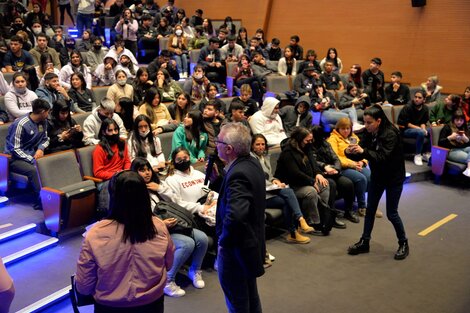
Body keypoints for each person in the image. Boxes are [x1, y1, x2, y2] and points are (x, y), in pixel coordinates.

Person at [76, 170, 174, 313]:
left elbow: (84, 286)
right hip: (152, 304)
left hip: (110, 307)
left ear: (113, 197)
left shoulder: (95, 234)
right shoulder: (159, 226)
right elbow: (169, 264)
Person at [130, 157, 208, 298]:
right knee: (187, 244)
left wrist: (160, 189)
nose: (147, 173)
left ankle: (194, 270)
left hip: (174, 225)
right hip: (154, 229)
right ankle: (167, 280)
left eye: (148, 169)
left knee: (202, 238)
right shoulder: (134, 192)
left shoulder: (159, 184)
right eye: (142, 170)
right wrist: (161, 224)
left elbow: (176, 201)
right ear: (135, 172)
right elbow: (138, 219)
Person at [346, 104, 409, 260]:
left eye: (369, 122)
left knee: (391, 213)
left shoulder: (391, 134)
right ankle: (365, 242)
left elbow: (382, 157)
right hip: (378, 177)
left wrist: (363, 152)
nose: (365, 125)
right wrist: (349, 152)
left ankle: (403, 243)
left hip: (394, 178)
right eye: (365, 122)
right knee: (370, 210)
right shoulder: (369, 132)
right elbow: (362, 152)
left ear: (378, 121)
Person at [215, 122, 266, 313]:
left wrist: (223, 242)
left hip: (236, 249)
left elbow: (236, 216)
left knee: (237, 303)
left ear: (228, 149)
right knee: (251, 298)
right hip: (251, 245)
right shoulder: (252, 162)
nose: (215, 144)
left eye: (217, 141)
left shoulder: (238, 174)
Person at [251, 134, 314, 243]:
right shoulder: (251, 159)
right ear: (252, 146)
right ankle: (300, 220)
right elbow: (257, 178)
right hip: (259, 195)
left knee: (287, 200)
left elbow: (269, 175)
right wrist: (272, 185)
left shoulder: (264, 157)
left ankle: (293, 232)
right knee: (288, 193)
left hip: (269, 192)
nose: (261, 147)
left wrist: (275, 181)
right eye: (257, 144)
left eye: (263, 144)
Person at [275, 127, 333, 234]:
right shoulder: (288, 152)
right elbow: (295, 173)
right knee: (311, 192)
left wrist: (318, 174)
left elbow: (313, 163)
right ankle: (312, 222)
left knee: (324, 184)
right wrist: (312, 181)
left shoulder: (307, 147)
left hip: (305, 181)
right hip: (291, 185)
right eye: (307, 140)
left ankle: (322, 215)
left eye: (311, 140)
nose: (310, 142)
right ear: (299, 139)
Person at [5, 98, 50, 210]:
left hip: (34, 153)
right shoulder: (20, 124)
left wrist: (40, 149)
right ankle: (41, 201)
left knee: (51, 163)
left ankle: (55, 196)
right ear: (42, 112)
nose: (49, 114)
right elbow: (15, 149)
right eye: (48, 111)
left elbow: (46, 139)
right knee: (33, 170)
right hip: (14, 158)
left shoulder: (43, 121)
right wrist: (32, 159)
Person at [327, 117, 374, 219]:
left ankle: (369, 204)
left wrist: (362, 161)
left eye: (348, 128)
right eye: (343, 128)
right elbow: (336, 158)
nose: (346, 131)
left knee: (371, 176)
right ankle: (362, 207)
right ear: (338, 128)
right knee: (361, 179)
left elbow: (363, 151)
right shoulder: (332, 139)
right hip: (343, 167)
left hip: (357, 164)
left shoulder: (354, 137)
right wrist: (352, 164)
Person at [311, 125, 356, 225]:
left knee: (348, 183)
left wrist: (336, 169)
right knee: (331, 185)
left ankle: (348, 211)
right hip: (320, 173)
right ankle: (331, 216)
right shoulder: (309, 146)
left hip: (332, 171)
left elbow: (336, 158)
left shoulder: (325, 144)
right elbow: (313, 161)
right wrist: (325, 166)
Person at [93, 118, 131, 212]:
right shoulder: (99, 149)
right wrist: (117, 175)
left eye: (115, 130)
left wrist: (125, 173)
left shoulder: (122, 143)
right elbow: (98, 172)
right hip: (105, 181)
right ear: (104, 132)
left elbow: (127, 161)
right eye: (110, 130)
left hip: (122, 175)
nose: (114, 133)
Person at [397, 90, 431, 166]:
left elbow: (423, 122)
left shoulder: (425, 108)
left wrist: (424, 128)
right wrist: (419, 129)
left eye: (419, 97)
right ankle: (418, 155)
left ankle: (426, 153)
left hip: (418, 129)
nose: (417, 99)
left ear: (424, 100)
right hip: (406, 130)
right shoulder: (408, 107)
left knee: (430, 131)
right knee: (421, 132)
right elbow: (405, 123)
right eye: (415, 97)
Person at [438, 110, 470, 177]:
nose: (459, 122)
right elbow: (440, 143)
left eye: (461, 120)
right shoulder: (447, 127)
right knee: (467, 157)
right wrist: (450, 138)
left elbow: (468, 144)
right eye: (457, 120)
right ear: (453, 120)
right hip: (452, 150)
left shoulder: (465, 127)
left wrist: (466, 140)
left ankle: (468, 169)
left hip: (464, 148)